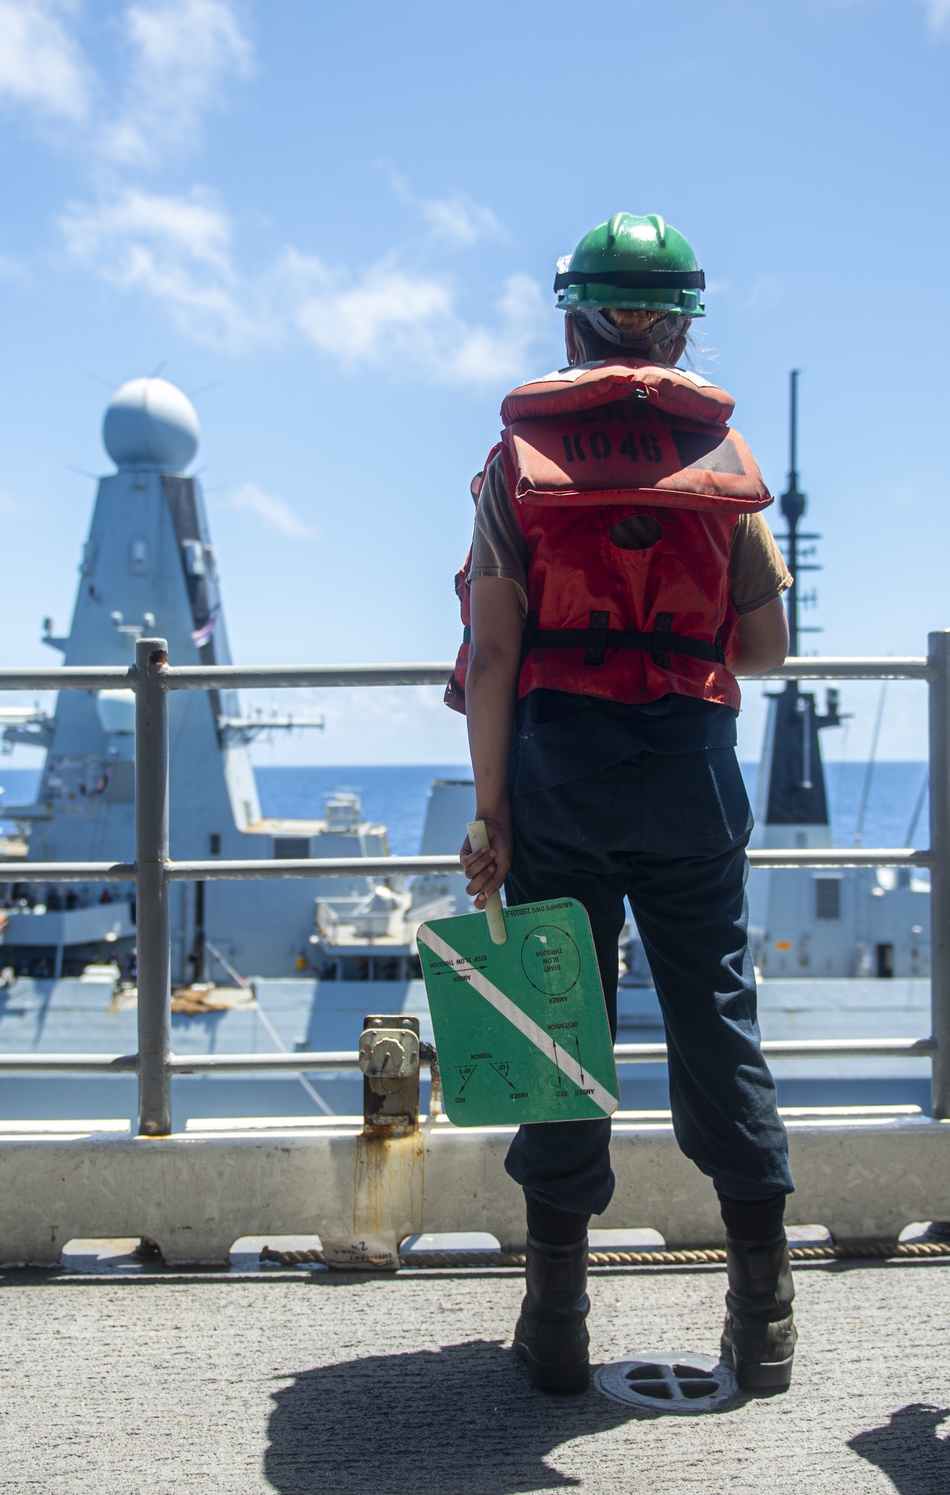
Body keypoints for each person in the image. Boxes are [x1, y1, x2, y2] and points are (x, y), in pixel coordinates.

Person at [452, 212, 797, 1396]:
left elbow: (492, 659)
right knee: (714, 1014)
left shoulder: (516, 462)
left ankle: (555, 1330)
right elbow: (763, 650)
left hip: (559, 771)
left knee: (555, 1027)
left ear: (574, 313)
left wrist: (489, 819)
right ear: (684, 320)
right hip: (693, 767)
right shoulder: (721, 460)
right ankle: (763, 1325)